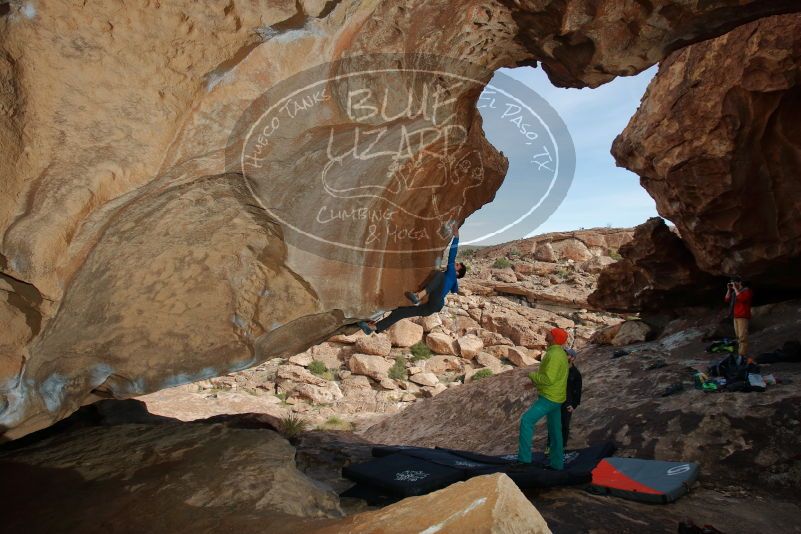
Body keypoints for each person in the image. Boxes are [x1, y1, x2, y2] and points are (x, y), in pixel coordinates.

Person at [358, 222, 467, 334]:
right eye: (456, 264)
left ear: (457, 273)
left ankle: (418, 295)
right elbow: (455, 290)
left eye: (457, 265)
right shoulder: (453, 279)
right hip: (430, 307)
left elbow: (452, 255)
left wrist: (456, 237)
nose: (455, 264)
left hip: (436, 302)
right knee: (399, 312)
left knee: (439, 275)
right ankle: (372, 328)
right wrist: (454, 286)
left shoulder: (451, 274)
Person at [517, 327, 570, 470]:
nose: (547, 335)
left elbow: (548, 379)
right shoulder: (559, 353)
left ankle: (524, 461)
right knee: (555, 431)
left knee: (527, 421)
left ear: (554, 338)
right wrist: (533, 384)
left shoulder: (553, 355)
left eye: (550, 334)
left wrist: (531, 375)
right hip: (557, 397)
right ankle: (557, 464)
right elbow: (553, 378)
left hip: (549, 398)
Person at [547, 348, 582, 450]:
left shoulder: (576, 373)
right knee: (553, 424)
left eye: (565, 355)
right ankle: (549, 446)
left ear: (572, 358)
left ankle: (562, 446)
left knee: (564, 425)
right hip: (554, 401)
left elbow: (578, 390)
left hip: (567, 402)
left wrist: (574, 404)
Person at [724, 277, 753, 364]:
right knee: (738, 336)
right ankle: (740, 355)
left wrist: (736, 289)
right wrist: (729, 290)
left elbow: (742, 298)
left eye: (734, 282)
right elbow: (726, 299)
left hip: (743, 316)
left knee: (742, 336)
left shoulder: (747, 291)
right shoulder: (734, 293)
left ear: (739, 282)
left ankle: (742, 355)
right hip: (735, 316)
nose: (733, 284)